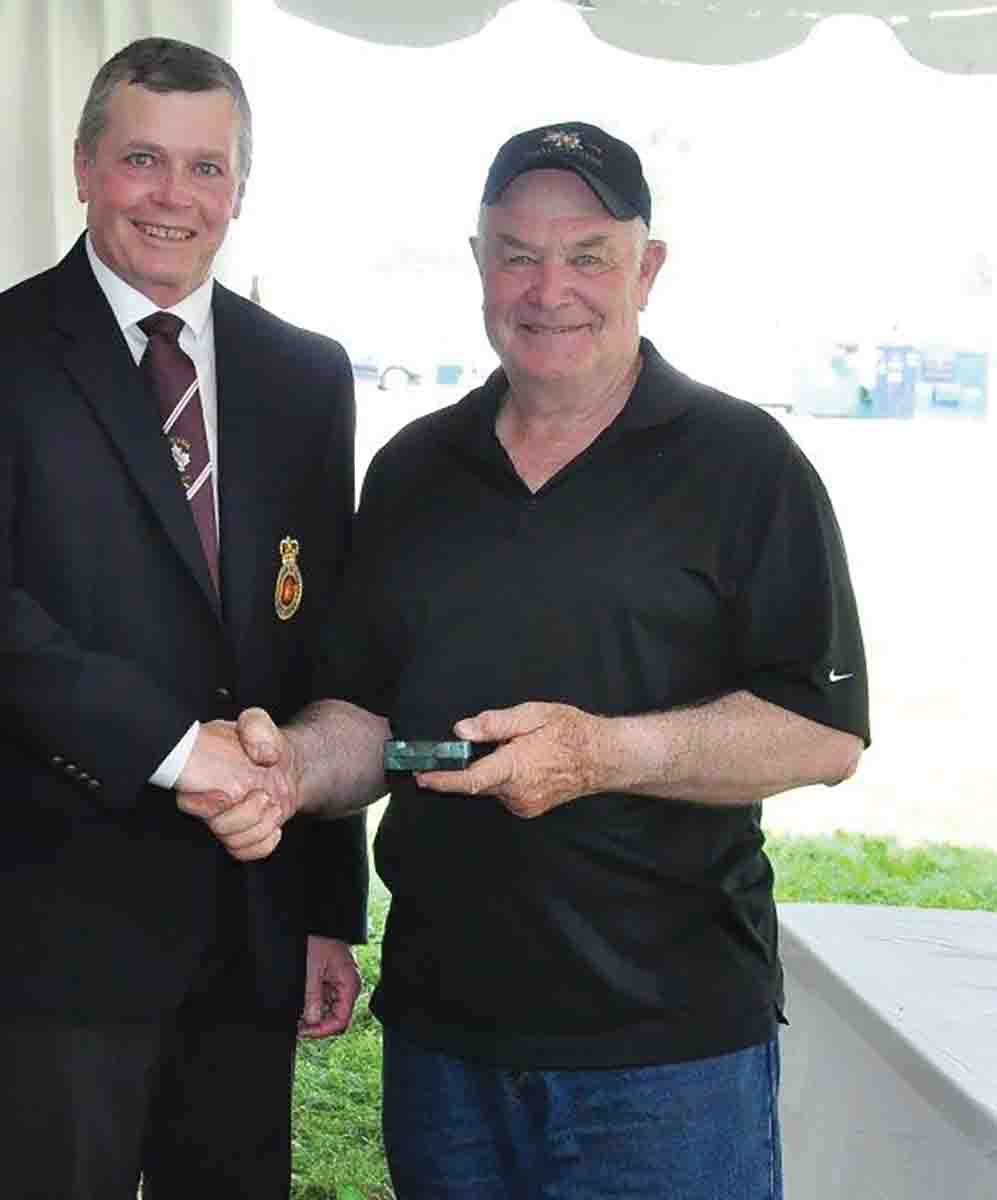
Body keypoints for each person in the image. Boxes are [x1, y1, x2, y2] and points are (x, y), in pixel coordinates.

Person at [187, 122, 869, 1198]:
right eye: (516, 252)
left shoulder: (742, 464)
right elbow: (365, 713)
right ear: (477, 266)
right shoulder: (417, 468)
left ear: (646, 268)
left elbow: (821, 733)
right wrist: (292, 772)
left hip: (664, 1051)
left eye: (587, 254)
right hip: (443, 1038)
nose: (548, 288)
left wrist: (603, 752)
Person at [0, 37, 367, 1200]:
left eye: (205, 168)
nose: (173, 196)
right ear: (86, 166)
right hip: (54, 910)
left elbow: (322, 646)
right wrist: (171, 748)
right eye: (143, 159)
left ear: (240, 189)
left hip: (249, 916)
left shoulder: (305, 374)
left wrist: (323, 909)